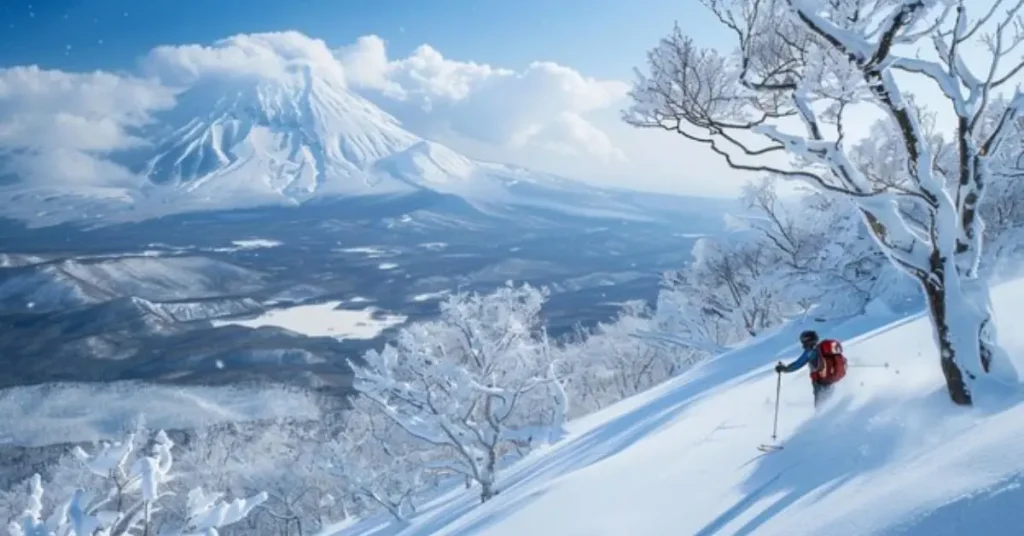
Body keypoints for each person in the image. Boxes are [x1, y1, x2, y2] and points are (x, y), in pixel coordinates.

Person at [775, 329, 846, 408]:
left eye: (803, 340)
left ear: (807, 340)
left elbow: (798, 364)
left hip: (820, 383)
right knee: (830, 405)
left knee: (820, 408)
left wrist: (784, 369)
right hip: (831, 381)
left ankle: (821, 419)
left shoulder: (811, 351)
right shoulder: (822, 350)